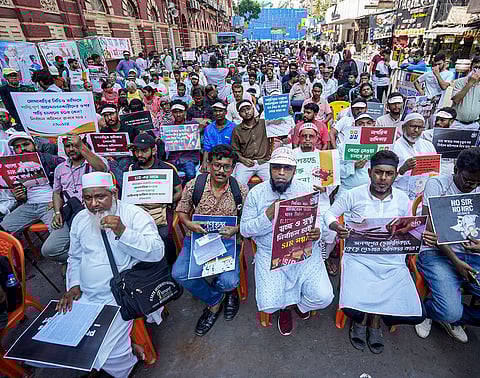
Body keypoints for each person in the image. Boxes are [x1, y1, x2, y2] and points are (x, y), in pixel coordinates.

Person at [58, 171, 164, 377]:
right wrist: (74, 284)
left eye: (100, 197)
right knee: (67, 340)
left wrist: (124, 231)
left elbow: (156, 252)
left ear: (113, 193)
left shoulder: (134, 215)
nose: (94, 204)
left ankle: (127, 362)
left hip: (121, 295)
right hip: (86, 295)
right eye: (88, 198)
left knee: (108, 354)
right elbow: (75, 257)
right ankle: (112, 357)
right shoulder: (81, 219)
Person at [325, 150, 425, 354]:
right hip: (358, 258)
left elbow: (411, 228)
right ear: (370, 172)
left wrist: (416, 233)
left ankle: (375, 322)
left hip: (392, 260)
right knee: (355, 297)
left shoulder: (402, 199)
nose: (383, 178)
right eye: (378, 172)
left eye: (389, 174)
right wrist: (337, 227)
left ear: (396, 175)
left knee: (415, 311)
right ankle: (361, 321)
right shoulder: (353, 195)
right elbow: (329, 214)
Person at [240, 147, 334, 336]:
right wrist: (267, 215)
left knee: (324, 297)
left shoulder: (307, 189)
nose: (281, 173)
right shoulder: (257, 193)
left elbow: (321, 217)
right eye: (276, 168)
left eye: (287, 168)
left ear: (294, 170)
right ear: (270, 169)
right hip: (270, 253)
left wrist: (318, 231)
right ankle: (284, 308)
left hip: (304, 253)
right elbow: (244, 230)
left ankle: (301, 305)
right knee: (267, 305)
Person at [173, 144, 248, 336]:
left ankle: (224, 289)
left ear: (233, 168)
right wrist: (189, 225)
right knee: (179, 274)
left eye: (227, 166)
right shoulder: (195, 184)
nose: (221, 170)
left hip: (227, 242)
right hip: (198, 239)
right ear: (209, 164)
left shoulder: (240, 189)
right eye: (217, 165)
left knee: (230, 281)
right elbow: (181, 210)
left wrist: (236, 229)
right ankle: (214, 300)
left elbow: (250, 220)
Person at [415, 147, 480, 343]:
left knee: (452, 310)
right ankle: (431, 311)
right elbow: (431, 232)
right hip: (437, 254)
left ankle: (448, 312)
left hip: (473, 255)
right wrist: (456, 263)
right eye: (468, 180)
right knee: (449, 312)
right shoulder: (437, 185)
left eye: (478, 182)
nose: (472, 186)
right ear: (455, 170)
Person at [1, 132, 64, 260]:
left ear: (34, 144)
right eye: (18, 147)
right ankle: (11, 267)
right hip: (28, 206)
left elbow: (69, 177)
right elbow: (21, 195)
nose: (22, 149)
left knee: (57, 239)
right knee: (3, 231)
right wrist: (20, 196)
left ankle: (65, 264)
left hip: (50, 204)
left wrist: (59, 197)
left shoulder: (50, 159)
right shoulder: (12, 166)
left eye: (26, 144)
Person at [49, 135, 108, 264]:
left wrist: (81, 147)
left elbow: (102, 169)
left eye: (74, 145)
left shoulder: (94, 161)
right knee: (50, 249)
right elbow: (57, 193)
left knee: (97, 244)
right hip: (70, 214)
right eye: (67, 146)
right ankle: (80, 261)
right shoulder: (60, 168)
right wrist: (57, 212)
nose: (71, 149)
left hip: (94, 212)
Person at [126, 134, 182, 264]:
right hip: (138, 210)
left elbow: (179, 191)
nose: (140, 154)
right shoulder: (131, 169)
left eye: (144, 150)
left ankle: (169, 266)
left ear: (154, 150)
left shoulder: (166, 168)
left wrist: (166, 200)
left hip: (161, 208)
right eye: (137, 151)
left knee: (163, 235)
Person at [393, 113, 437, 200]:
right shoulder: (394, 147)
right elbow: (386, 177)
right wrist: (403, 169)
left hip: (424, 194)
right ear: (403, 127)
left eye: (420, 127)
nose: (416, 130)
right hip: (402, 194)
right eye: (413, 126)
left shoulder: (428, 145)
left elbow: (435, 171)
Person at [231, 100, 271, 185]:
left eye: (248, 109)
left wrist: (287, 113)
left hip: (264, 162)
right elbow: (234, 150)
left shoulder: (264, 123)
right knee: (239, 185)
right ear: (239, 114)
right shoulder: (237, 130)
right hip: (245, 163)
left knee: (272, 183)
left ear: (253, 109)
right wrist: (242, 159)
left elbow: (280, 125)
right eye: (243, 110)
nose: (246, 112)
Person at [165, 100, 200, 183]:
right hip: (173, 159)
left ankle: (185, 191)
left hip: (188, 158)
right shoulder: (167, 127)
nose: (178, 115)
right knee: (168, 176)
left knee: (191, 174)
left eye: (180, 112)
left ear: (185, 112)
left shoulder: (192, 126)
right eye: (175, 112)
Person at [202, 101, 236, 170]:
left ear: (225, 112)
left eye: (220, 111)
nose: (217, 113)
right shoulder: (209, 128)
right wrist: (204, 162)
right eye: (215, 111)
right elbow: (207, 148)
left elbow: (235, 148)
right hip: (213, 160)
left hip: (229, 159)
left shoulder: (233, 127)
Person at [451, 56, 480, 130]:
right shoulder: (460, 82)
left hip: (474, 124)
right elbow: (456, 99)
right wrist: (470, 83)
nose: (478, 70)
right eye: (476, 67)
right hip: (457, 123)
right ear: (471, 68)